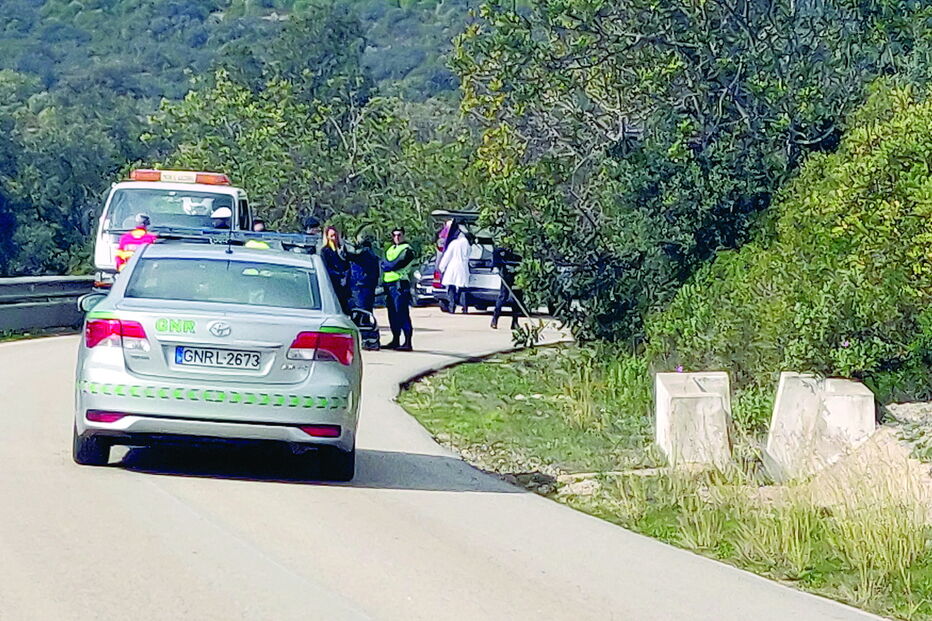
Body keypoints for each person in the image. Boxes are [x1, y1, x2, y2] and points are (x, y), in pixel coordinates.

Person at [381, 227, 415, 351]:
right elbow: (383, 263)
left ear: (404, 235)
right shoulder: (390, 249)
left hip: (400, 284)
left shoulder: (407, 250)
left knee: (402, 312)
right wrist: (388, 266)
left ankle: (407, 342)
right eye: (394, 235)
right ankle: (395, 339)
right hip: (389, 284)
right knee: (392, 313)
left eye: (399, 235)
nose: (397, 237)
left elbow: (396, 264)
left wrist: (388, 266)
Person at [438, 221, 471, 314]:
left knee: (451, 287)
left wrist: (441, 267)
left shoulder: (454, 243)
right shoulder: (467, 244)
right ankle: (464, 307)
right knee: (462, 287)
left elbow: (447, 256)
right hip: (463, 267)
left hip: (453, 266)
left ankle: (452, 306)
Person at [320, 226, 351, 314]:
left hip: (344, 285)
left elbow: (347, 265)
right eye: (332, 236)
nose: (334, 238)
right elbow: (326, 268)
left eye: (336, 236)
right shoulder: (325, 251)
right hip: (333, 283)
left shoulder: (342, 249)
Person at [491, 246, 523, 330]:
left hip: (518, 274)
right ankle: (495, 319)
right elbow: (496, 253)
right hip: (506, 273)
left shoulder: (521, 244)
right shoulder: (504, 245)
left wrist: (518, 268)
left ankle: (515, 322)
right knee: (503, 296)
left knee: (516, 298)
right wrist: (495, 266)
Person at [348, 237, 380, 313]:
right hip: (367, 285)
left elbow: (351, 256)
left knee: (361, 310)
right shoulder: (372, 254)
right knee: (366, 309)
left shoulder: (364, 253)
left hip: (361, 285)